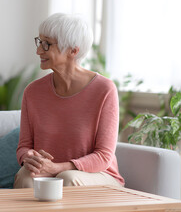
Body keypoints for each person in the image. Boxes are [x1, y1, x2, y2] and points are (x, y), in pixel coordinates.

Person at [14, 13, 124, 188]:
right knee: (26, 177)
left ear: (73, 50)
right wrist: (29, 158)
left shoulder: (104, 90)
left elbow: (103, 156)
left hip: (97, 175)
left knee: (67, 179)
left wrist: (58, 168)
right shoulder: (33, 92)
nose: (38, 51)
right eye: (39, 42)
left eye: (47, 44)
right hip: (50, 173)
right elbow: (24, 146)